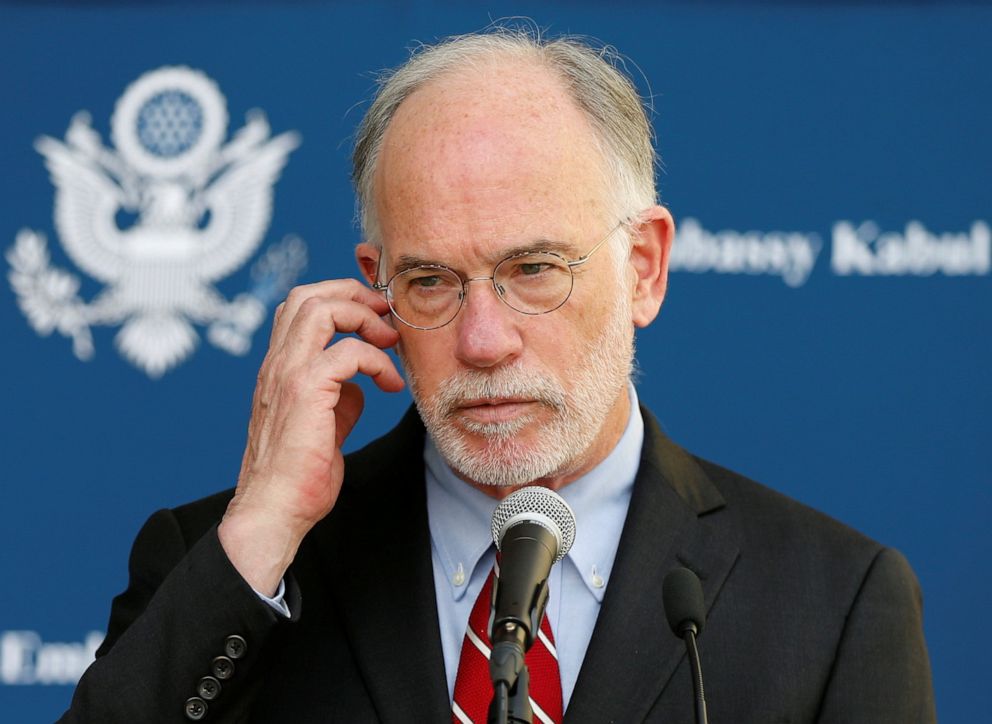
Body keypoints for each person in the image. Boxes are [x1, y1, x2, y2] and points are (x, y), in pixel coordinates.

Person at [61, 29, 936, 723]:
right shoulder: (236, 566)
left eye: (533, 269)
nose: (483, 340)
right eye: (431, 281)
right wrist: (260, 533)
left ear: (644, 268)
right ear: (377, 287)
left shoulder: (833, 603)